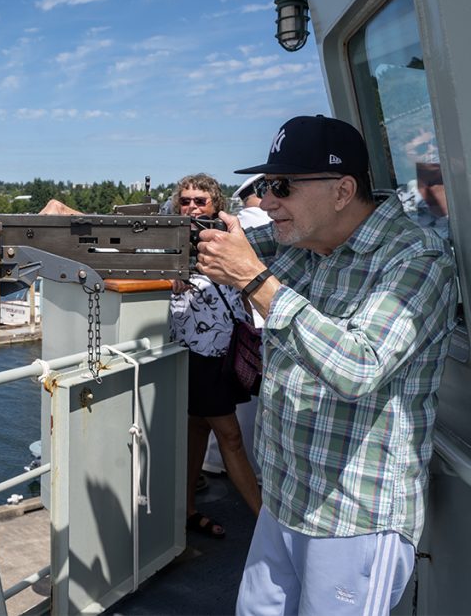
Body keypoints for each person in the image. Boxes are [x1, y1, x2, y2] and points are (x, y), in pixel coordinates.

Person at [195, 115, 457, 615]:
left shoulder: (417, 260)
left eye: (282, 186)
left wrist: (256, 282)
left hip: (353, 516)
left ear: (342, 191)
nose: (267, 200)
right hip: (286, 498)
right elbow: (200, 244)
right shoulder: (304, 244)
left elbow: (358, 368)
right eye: (267, 185)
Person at [168, 173, 263, 539]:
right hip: (196, 354)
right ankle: (264, 521)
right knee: (231, 436)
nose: (192, 207)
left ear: (216, 205)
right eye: (186, 200)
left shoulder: (228, 241)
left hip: (224, 352)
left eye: (200, 201)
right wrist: (167, 277)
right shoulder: (168, 242)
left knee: (198, 427)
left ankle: (186, 510)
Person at [203, 174, 270, 479]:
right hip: (248, 335)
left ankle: (216, 464)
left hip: (227, 341)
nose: (272, 201)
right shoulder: (259, 226)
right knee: (248, 409)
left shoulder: (239, 226)